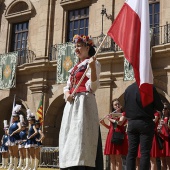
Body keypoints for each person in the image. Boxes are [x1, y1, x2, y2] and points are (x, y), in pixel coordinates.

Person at [59, 34, 103, 170]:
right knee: (69, 136)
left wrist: (93, 69)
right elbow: (67, 86)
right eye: (75, 46)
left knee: (82, 135)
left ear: (87, 47)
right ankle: (69, 164)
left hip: (84, 102)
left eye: (79, 46)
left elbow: (93, 86)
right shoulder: (74, 68)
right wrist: (67, 94)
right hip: (72, 105)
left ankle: (82, 164)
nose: (76, 49)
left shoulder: (92, 63)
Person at [124, 82, 164, 170]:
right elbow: (160, 106)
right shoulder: (149, 87)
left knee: (131, 152)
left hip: (132, 122)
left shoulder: (128, 89)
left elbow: (125, 106)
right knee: (145, 153)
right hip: (145, 122)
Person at [100, 99, 127, 170]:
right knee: (112, 158)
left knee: (118, 157)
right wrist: (104, 124)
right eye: (115, 105)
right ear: (113, 106)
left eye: (118, 104)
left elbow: (120, 123)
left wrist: (110, 119)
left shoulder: (123, 113)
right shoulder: (112, 114)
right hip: (111, 135)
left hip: (119, 135)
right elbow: (110, 127)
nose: (117, 106)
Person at [6, 105, 22, 170]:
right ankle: (10, 165)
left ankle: (15, 166)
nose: (13, 118)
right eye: (13, 116)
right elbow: (8, 130)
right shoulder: (12, 123)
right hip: (10, 138)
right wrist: (7, 132)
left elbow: (20, 128)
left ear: (17, 117)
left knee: (15, 152)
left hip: (15, 138)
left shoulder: (18, 123)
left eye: (15, 117)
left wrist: (14, 132)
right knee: (10, 152)